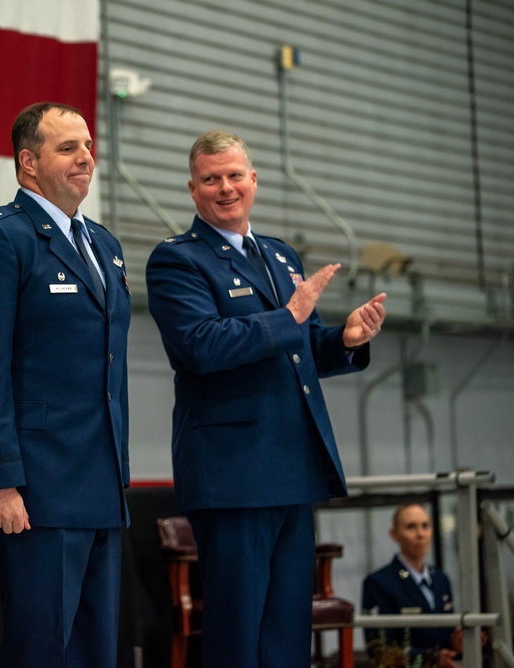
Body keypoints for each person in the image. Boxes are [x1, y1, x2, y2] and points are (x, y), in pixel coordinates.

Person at [145, 129, 387, 667]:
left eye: (235, 176)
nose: (225, 188)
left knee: (285, 636)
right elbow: (200, 346)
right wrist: (289, 317)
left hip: (293, 467)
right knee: (238, 637)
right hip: (233, 476)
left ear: (254, 181)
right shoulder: (176, 261)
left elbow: (301, 346)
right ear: (193, 189)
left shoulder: (279, 255)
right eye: (211, 179)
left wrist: (345, 339)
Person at [0, 102, 131, 667]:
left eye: (89, 146)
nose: (86, 158)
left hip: (101, 484)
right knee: (42, 651)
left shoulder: (103, 244)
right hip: (37, 491)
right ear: (28, 163)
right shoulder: (0, 237)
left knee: (96, 652)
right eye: (68, 148)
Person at [363, 503, 462, 667]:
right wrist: (430, 658)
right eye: (411, 527)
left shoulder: (440, 579)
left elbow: (445, 637)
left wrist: (457, 643)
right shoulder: (379, 582)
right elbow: (379, 649)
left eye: (425, 526)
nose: (420, 534)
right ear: (394, 534)